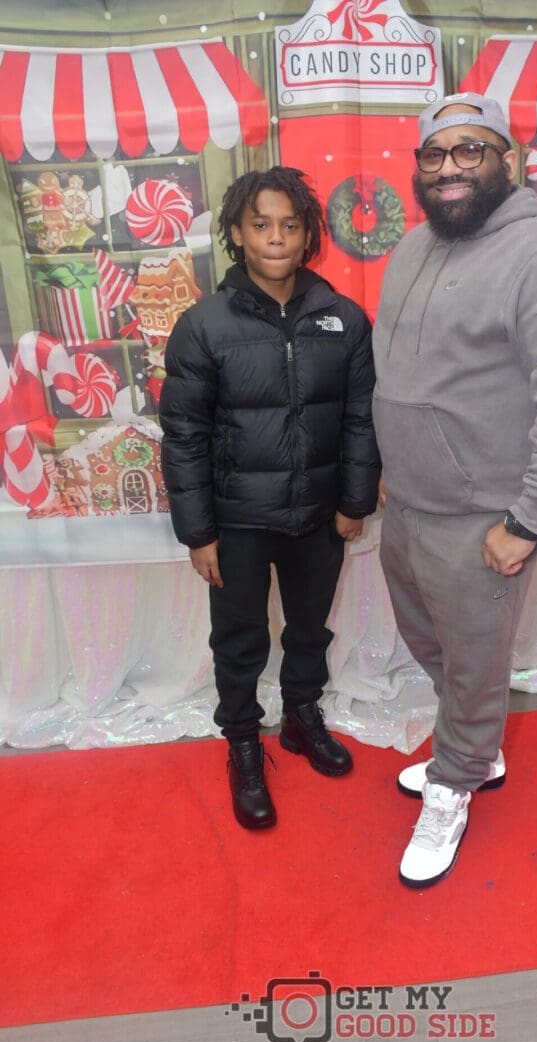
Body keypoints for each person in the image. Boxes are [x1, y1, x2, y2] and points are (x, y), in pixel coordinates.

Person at [372, 93, 537, 888]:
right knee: (433, 646)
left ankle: (455, 783)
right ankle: (476, 750)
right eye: (434, 154)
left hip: (485, 516)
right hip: (410, 503)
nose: (449, 167)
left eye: (470, 150)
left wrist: (527, 521)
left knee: (474, 661)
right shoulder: (414, 247)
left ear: (507, 159)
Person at [159, 166, 380, 830]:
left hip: (319, 515)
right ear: (237, 232)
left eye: (289, 225)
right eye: (261, 225)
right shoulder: (203, 325)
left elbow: (361, 419)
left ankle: (302, 716)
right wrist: (199, 533)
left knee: (310, 627)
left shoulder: (344, 319)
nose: (276, 238)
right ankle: (244, 745)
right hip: (237, 522)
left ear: (308, 234)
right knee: (239, 638)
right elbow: (184, 436)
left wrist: (354, 502)